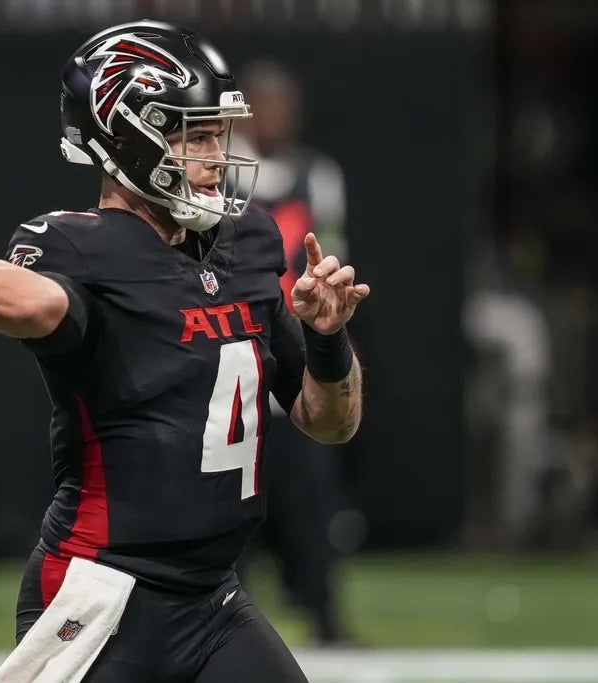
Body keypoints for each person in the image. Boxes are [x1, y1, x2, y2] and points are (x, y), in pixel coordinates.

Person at [0, 20, 368, 682]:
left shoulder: (249, 241)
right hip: (102, 594)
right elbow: (28, 303)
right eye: (197, 136)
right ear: (125, 140)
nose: (220, 155)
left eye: (219, 133)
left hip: (214, 599)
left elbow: (332, 421)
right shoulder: (76, 245)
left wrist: (329, 338)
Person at [232, 58, 355, 645]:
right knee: (229, 509)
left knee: (311, 503)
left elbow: (332, 254)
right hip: (235, 354)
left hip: (296, 348)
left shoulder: (317, 174)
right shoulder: (220, 175)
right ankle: (231, 626)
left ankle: (325, 617)